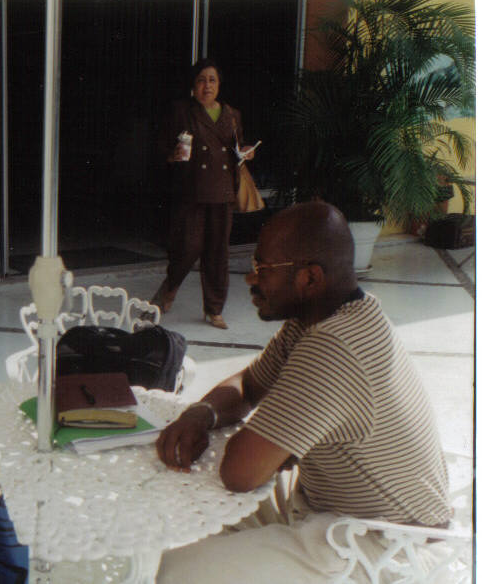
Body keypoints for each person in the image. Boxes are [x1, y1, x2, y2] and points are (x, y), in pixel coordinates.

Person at [154, 201, 450, 583]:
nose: (251, 279)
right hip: (328, 505)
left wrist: (275, 441)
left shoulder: (335, 345)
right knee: (174, 521)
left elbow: (240, 472)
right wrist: (201, 414)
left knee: (174, 571)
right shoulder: (323, 317)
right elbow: (245, 386)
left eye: (263, 268)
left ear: (310, 279)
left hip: (385, 543)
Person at [150, 58, 256, 329]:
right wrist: (171, 156)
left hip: (222, 191)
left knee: (217, 253)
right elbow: (161, 147)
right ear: (193, 86)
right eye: (201, 80)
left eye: (212, 80)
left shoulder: (232, 115)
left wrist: (246, 152)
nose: (207, 86)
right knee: (186, 247)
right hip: (191, 190)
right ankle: (169, 289)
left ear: (219, 85)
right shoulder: (181, 112)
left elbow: (236, 148)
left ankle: (214, 308)